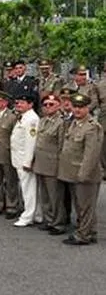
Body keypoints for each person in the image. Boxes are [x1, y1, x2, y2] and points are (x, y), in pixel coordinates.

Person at [57, 93, 102, 246]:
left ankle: (84, 235)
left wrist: (83, 174)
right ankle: (89, 231)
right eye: (75, 107)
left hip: (84, 174)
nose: (77, 110)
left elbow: (91, 155)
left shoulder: (92, 127)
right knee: (81, 205)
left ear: (87, 108)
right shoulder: (74, 123)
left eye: (81, 107)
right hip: (72, 172)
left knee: (85, 206)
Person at [33, 94, 67, 235]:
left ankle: (58, 223)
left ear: (58, 105)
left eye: (51, 104)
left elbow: (62, 146)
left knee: (55, 197)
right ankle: (49, 220)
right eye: (45, 104)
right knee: (45, 195)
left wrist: (61, 166)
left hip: (53, 163)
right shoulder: (43, 120)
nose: (48, 107)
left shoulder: (61, 122)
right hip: (41, 162)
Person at [0, 89, 20, 218]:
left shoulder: (13, 116)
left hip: (7, 153)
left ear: (5, 102)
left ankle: (12, 206)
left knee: (11, 181)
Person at [11, 93, 41, 227]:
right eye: (17, 102)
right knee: (29, 188)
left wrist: (28, 161)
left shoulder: (32, 119)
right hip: (19, 157)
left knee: (28, 189)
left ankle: (28, 216)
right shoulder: (24, 117)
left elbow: (31, 142)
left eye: (22, 103)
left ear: (30, 104)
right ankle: (37, 214)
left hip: (24, 160)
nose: (18, 105)